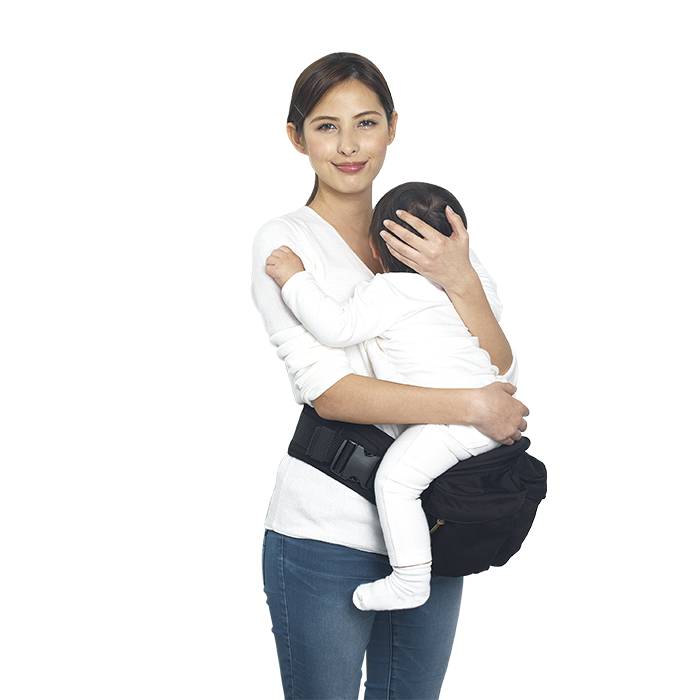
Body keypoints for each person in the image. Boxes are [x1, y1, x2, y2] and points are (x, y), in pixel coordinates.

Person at [250, 52, 529, 700]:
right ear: (297, 136)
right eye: (327, 126)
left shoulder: (426, 234)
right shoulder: (286, 242)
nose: (349, 145)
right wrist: (473, 408)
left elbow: (501, 369)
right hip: (325, 530)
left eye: (366, 122)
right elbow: (332, 393)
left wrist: (461, 278)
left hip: (435, 525)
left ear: (392, 127)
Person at [264, 181, 519, 613]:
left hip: (454, 424)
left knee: (395, 483)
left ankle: (410, 580)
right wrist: (464, 274)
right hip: (490, 414)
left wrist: (294, 278)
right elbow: (500, 351)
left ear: (375, 251)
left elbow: (336, 327)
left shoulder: (388, 291)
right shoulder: (475, 288)